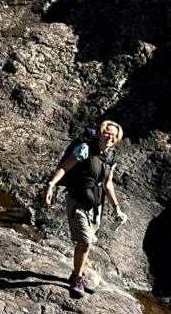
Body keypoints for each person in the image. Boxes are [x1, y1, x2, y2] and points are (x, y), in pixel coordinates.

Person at [43, 119, 126, 298]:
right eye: (107, 133)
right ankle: (78, 278)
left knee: (86, 244)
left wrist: (116, 207)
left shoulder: (112, 157)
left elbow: (108, 183)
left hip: (96, 205)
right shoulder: (85, 149)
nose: (110, 137)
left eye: (114, 135)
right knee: (86, 241)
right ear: (100, 133)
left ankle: (77, 274)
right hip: (77, 200)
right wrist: (51, 184)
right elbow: (65, 167)